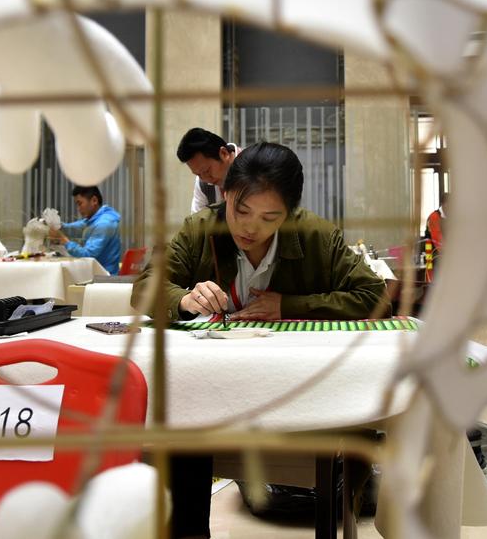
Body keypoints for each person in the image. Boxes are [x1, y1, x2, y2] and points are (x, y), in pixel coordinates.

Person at [131, 142, 388, 538]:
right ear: (225, 194)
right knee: (180, 415)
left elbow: (374, 297)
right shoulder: (201, 230)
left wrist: (289, 304)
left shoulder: (316, 235)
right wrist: (182, 299)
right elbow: (145, 287)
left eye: (271, 217)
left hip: (290, 389)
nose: (251, 228)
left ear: (290, 214)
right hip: (207, 388)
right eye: (241, 210)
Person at [49, 185, 122, 275]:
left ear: (94, 200)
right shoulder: (96, 219)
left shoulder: (104, 224)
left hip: (104, 276)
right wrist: (60, 226)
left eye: (80, 203)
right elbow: (78, 226)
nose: (78, 209)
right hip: (97, 272)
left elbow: (88, 255)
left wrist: (64, 241)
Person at [176, 128, 242, 214]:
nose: (206, 179)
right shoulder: (202, 183)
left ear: (224, 154)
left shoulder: (255, 168)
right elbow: (197, 222)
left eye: (207, 171)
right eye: (198, 174)